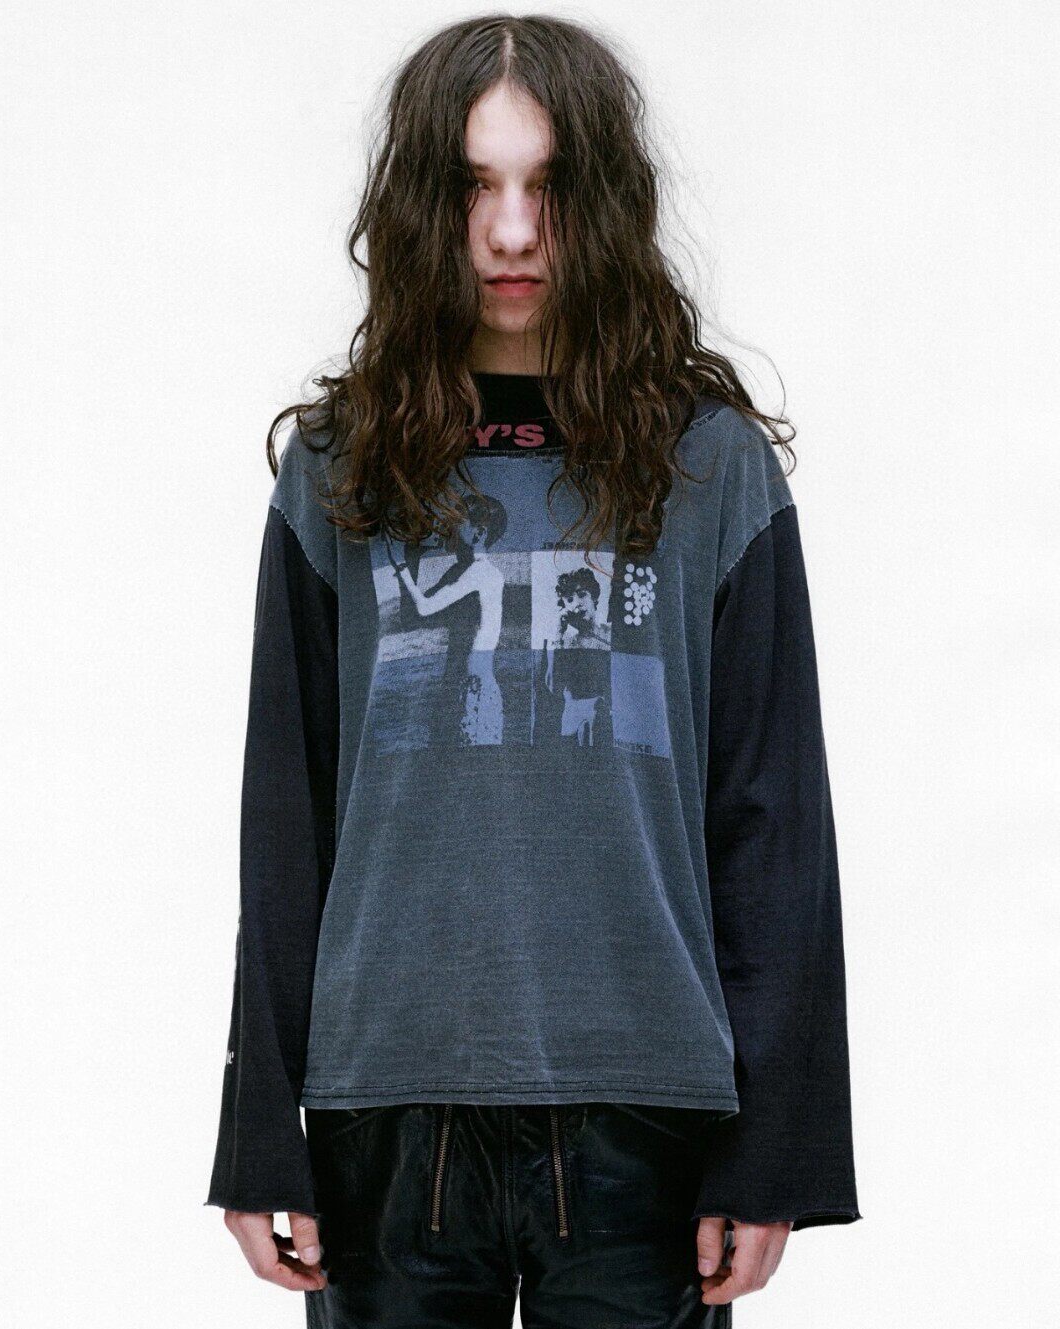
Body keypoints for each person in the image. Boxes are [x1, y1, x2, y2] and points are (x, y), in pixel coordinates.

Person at [204, 15, 862, 1326]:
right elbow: (288, 816)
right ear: (418, 207)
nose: (511, 233)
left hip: (648, 1120)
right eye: (473, 187)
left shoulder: (711, 465)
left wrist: (775, 1148)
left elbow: (772, 816)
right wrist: (260, 1129)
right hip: (385, 1119)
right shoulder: (337, 472)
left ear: (606, 202)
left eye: (547, 186)